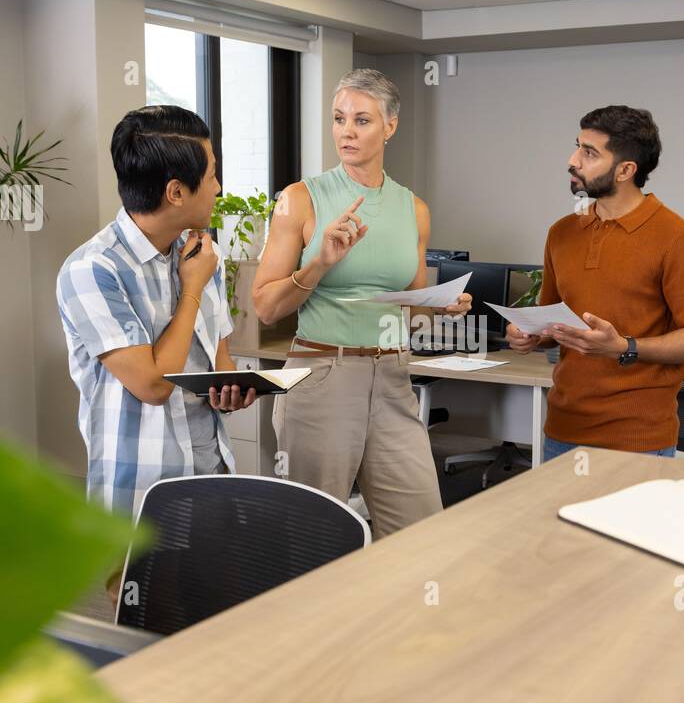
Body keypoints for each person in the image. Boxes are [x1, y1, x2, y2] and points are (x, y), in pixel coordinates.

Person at [254, 68, 470, 539]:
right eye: (338, 118)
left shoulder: (413, 208)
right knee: (313, 537)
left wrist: (440, 306)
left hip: (393, 379)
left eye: (362, 120)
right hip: (321, 376)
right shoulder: (300, 200)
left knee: (421, 532)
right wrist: (319, 263)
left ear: (390, 126)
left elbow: (409, 310)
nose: (346, 131)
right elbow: (267, 308)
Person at [57, 105, 256, 519]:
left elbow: (220, 361)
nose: (218, 188)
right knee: (141, 589)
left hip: (213, 474)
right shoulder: (94, 269)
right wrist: (192, 290)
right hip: (141, 494)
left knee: (223, 585)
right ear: (177, 192)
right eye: (212, 175)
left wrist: (231, 391)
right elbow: (152, 386)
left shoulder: (200, 255)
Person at [507, 104, 684, 460]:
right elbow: (553, 319)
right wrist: (531, 335)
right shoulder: (562, 232)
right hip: (562, 430)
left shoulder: (676, 237)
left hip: (638, 439)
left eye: (589, 153)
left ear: (625, 170)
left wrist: (623, 347)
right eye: (577, 146)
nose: (573, 160)